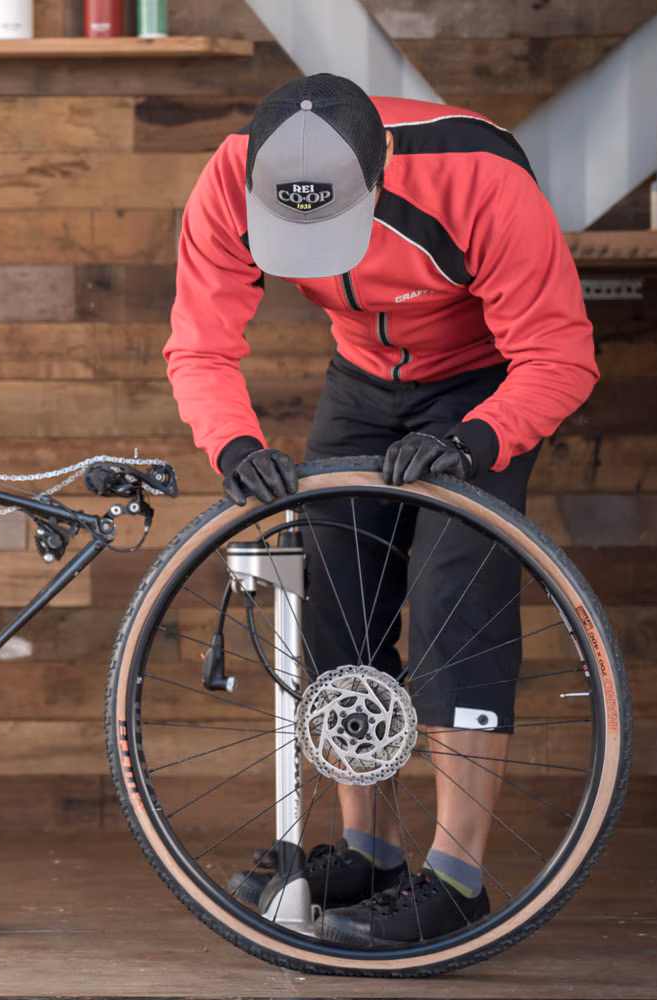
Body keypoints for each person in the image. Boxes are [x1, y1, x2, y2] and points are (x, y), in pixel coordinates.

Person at [163, 73, 597, 945]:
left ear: (384, 163)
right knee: (335, 595)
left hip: (480, 385)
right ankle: (372, 853)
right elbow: (200, 343)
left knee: (451, 600)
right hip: (362, 378)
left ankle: (457, 879)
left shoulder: (477, 177)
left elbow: (559, 356)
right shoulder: (228, 177)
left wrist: (476, 442)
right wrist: (236, 447)